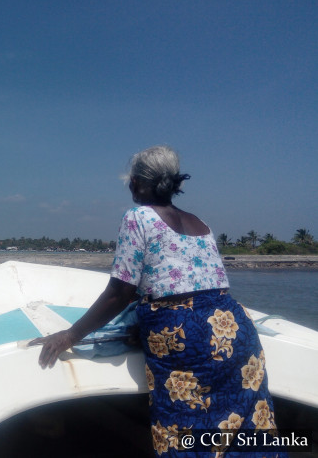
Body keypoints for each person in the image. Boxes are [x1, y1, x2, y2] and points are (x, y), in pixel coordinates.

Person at [29, 145, 283, 457]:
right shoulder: (200, 223)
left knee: (184, 432)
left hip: (187, 340)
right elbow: (178, 283)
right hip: (233, 331)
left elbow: (120, 293)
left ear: (136, 182)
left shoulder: (138, 217)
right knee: (244, 430)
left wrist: (70, 335)